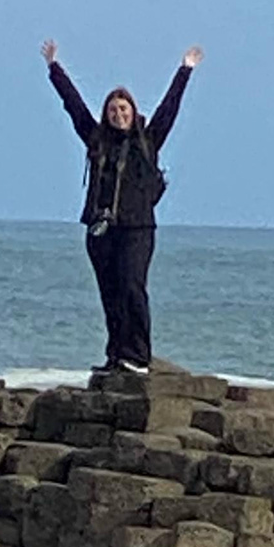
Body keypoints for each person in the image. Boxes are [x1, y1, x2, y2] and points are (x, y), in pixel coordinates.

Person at [42, 39, 202, 372]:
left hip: (137, 229)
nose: (119, 114)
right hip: (101, 231)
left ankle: (139, 357)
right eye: (113, 110)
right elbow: (74, 106)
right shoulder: (95, 138)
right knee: (110, 295)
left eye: (124, 109)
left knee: (132, 287)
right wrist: (55, 69)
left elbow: (169, 108)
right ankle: (117, 355)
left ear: (133, 111)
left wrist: (185, 70)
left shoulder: (149, 139)